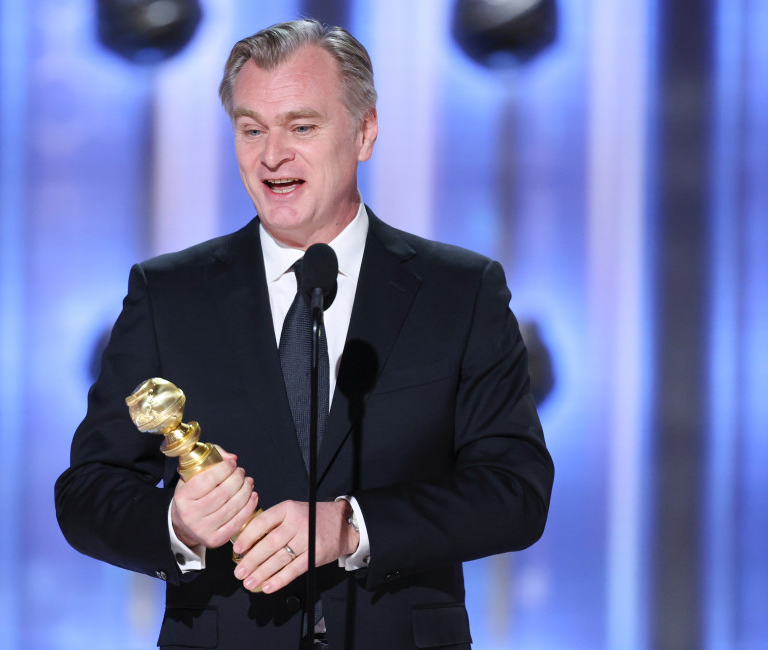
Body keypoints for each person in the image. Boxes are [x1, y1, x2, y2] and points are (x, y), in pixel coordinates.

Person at [55, 18, 553, 650]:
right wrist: (176, 523)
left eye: (301, 127)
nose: (272, 155)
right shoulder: (167, 295)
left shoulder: (460, 292)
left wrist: (351, 526)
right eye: (251, 129)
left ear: (364, 131)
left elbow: (514, 490)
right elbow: (87, 492)